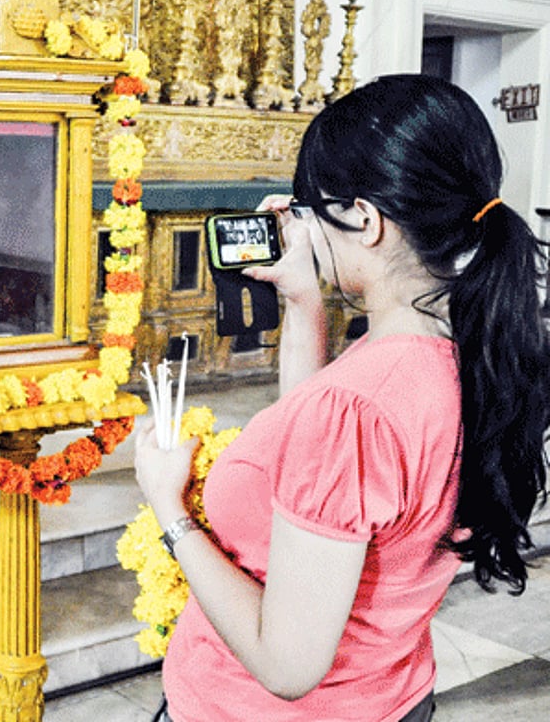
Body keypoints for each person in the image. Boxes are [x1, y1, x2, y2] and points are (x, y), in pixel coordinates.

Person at [134, 73, 550, 721]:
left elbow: (287, 665)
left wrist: (170, 510)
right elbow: (328, 481)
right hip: (391, 697)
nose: (301, 221)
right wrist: (304, 299)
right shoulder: (467, 350)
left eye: (309, 206)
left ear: (363, 217)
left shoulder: (359, 405)